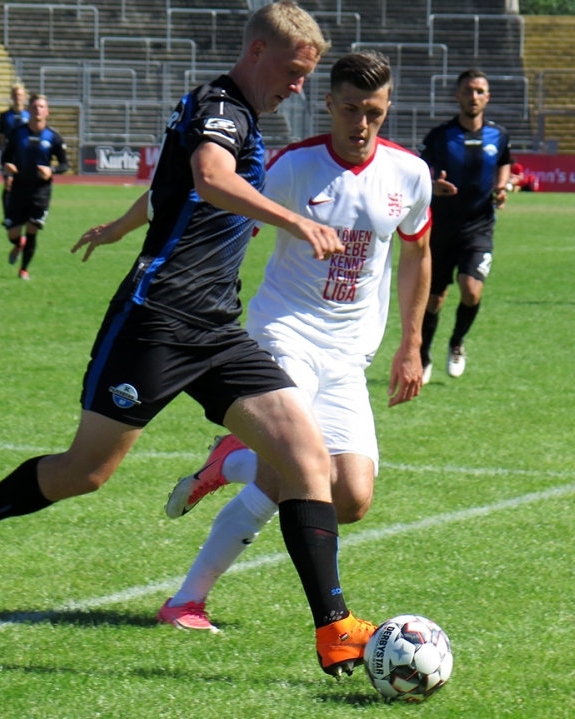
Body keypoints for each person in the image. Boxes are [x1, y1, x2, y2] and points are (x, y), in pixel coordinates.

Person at [0, 1, 374, 678]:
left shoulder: (243, 121)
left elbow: (171, 190)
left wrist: (120, 227)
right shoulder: (220, 106)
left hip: (216, 328)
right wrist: (295, 222)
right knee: (86, 472)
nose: (299, 87)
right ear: (257, 52)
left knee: (306, 458)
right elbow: (210, 178)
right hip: (155, 321)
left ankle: (335, 628)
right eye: (294, 72)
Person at [155, 51, 432, 633]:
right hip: (286, 334)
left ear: (388, 109)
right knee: (291, 471)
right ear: (328, 104)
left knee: (351, 498)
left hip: (349, 355)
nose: (361, 124)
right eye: (350, 109)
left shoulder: (409, 174)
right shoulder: (292, 167)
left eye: (374, 113)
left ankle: (231, 459)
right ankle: (186, 601)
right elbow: (225, 223)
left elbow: (417, 253)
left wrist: (411, 344)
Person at [418, 69, 511, 382]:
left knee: (471, 290)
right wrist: (432, 186)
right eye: (468, 90)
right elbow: (418, 173)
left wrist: (501, 187)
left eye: (479, 91)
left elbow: (504, 162)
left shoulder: (499, 135)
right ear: (457, 95)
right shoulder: (440, 136)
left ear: (488, 97)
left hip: (478, 226)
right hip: (440, 228)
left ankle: (457, 342)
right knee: (434, 299)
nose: (474, 96)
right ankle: (423, 354)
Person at [0, 93, 69, 280]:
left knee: (32, 228)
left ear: (47, 111)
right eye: (34, 106)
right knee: (12, 232)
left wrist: (51, 170)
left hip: (40, 191)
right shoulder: (17, 133)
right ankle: (18, 243)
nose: (38, 109)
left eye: (41, 106)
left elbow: (64, 164)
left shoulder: (53, 137)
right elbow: (5, 157)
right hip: (18, 188)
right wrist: (7, 168)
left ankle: (23, 269)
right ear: (28, 109)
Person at [0, 84, 30, 224]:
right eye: (15, 95)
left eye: (20, 95)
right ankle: (8, 216)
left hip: (25, 156)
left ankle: (24, 215)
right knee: (8, 185)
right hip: (9, 155)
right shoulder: (5, 116)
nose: (18, 98)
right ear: (11, 97)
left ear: (24, 97)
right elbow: (0, 137)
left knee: (25, 186)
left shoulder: (29, 115)